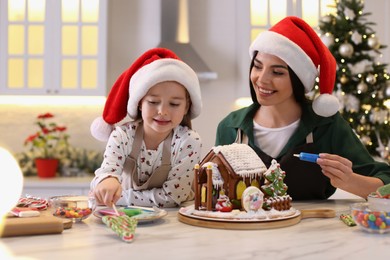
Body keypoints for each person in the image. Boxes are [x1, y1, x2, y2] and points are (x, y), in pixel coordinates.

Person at [216, 16, 390, 200]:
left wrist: (349, 181)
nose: (262, 79)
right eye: (257, 67)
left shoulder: (327, 126)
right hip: (244, 229)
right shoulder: (230, 128)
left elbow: (386, 183)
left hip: (313, 228)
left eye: (277, 72)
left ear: (299, 79)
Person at [90, 48, 202, 208]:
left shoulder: (189, 141)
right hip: (127, 218)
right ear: (140, 103)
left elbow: (173, 196)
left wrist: (118, 197)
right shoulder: (122, 136)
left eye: (174, 104)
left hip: (175, 222)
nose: (162, 111)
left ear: (186, 108)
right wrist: (106, 181)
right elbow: (105, 173)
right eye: (153, 102)